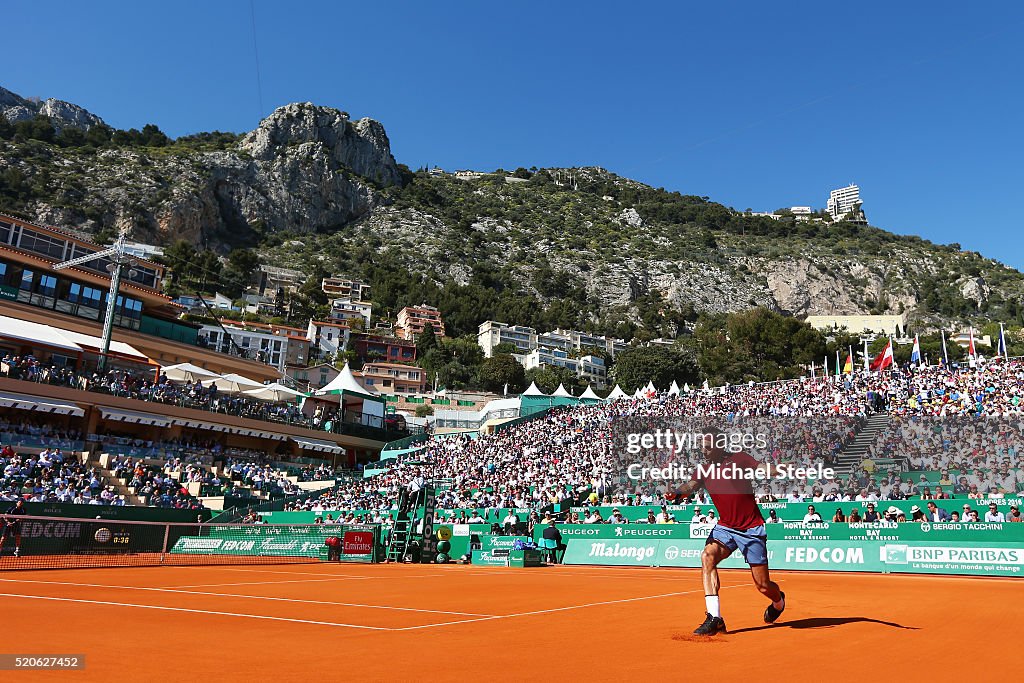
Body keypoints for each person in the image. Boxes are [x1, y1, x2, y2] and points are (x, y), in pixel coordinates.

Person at [672, 430, 785, 636]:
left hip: (751, 528)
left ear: (718, 445)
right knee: (707, 557)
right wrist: (679, 491)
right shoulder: (703, 469)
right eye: (701, 446)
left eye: (707, 446)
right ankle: (715, 618)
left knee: (763, 585)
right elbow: (691, 485)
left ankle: (778, 602)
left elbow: (761, 468)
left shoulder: (739, 459)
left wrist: (777, 470)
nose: (703, 450)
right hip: (725, 527)